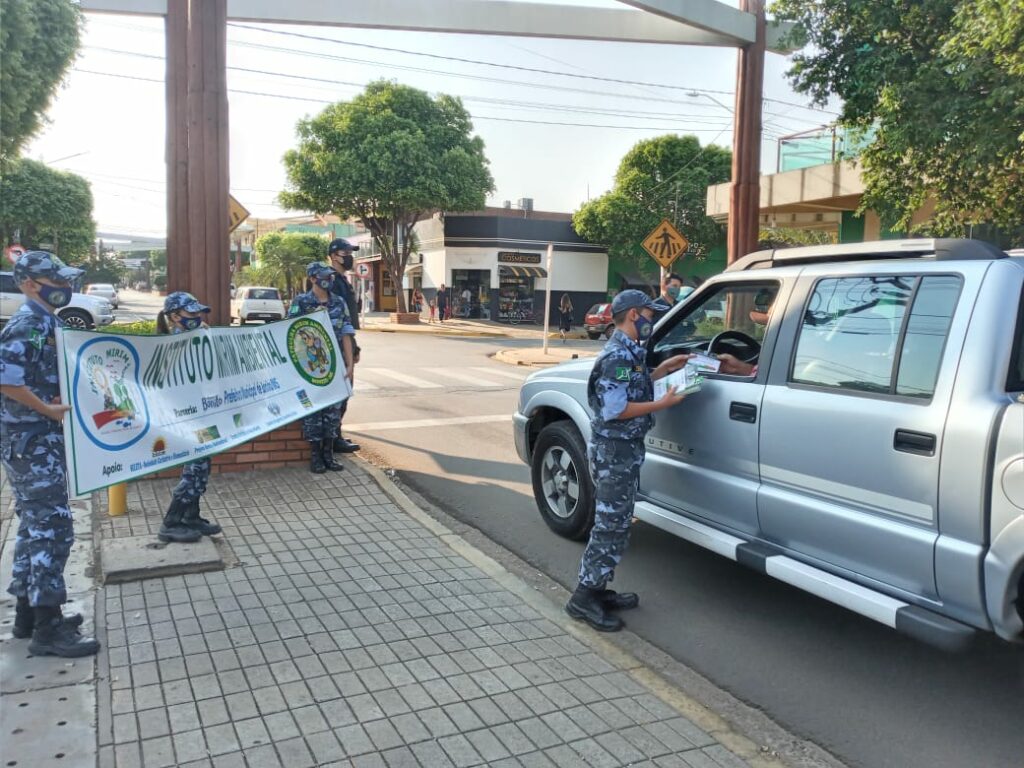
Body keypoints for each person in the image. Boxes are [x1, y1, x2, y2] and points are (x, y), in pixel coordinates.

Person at [566, 290, 689, 632]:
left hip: (624, 451)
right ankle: (583, 597)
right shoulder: (618, 356)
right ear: (634, 314)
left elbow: (628, 389)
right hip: (614, 453)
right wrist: (663, 403)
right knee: (609, 524)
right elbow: (615, 409)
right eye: (651, 313)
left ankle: (598, 588)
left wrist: (661, 370)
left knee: (619, 524)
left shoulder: (631, 354)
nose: (653, 320)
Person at [0, 251, 100, 657]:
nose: (65, 287)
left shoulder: (45, 320)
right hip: (31, 442)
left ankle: (28, 615)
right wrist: (47, 408)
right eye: (54, 280)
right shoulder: (26, 323)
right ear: (28, 284)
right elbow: (6, 380)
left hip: (36, 439)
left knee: (33, 528)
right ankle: (48, 628)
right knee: (53, 528)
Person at [155, 292, 223, 543]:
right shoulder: (172, 344)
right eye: (191, 313)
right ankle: (170, 523)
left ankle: (191, 517)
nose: (198, 317)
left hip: (202, 415)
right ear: (175, 316)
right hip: (187, 419)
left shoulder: (193, 337)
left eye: (198, 313)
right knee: (194, 470)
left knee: (202, 467)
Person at [289, 262, 355, 473]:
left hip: (334, 366)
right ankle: (316, 456)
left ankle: (329, 455)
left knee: (333, 411)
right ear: (313, 279)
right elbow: (289, 331)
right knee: (313, 412)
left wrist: (350, 363)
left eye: (331, 275)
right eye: (324, 276)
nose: (329, 279)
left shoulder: (339, 302)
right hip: (309, 367)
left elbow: (346, 332)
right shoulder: (301, 302)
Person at [327, 238, 361, 455]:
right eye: (345, 252)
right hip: (337, 341)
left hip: (345, 340)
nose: (349, 257)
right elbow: (339, 319)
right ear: (333, 255)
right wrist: (351, 347)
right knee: (340, 390)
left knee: (344, 390)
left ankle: (335, 434)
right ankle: (333, 438)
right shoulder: (331, 280)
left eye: (350, 252)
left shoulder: (342, 279)